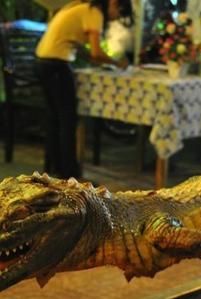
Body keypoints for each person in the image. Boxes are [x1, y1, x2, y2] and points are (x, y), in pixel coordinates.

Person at [35, 0, 131, 179]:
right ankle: (69, 174)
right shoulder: (94, 12)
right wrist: (118, 63)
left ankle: (54, 170)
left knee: (55, 119)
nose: (117, 16)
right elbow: (95, 52)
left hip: (43, 63)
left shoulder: (79, 7)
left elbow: (80, 48)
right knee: (68, 119)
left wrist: (95, 59)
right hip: (56, 65)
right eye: (119, 11)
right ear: (113, 3)